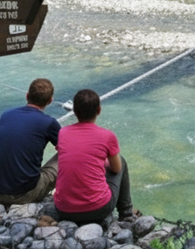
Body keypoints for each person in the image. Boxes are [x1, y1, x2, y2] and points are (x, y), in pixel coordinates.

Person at [54, 89, 136, 224]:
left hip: (64, 209)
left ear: (74, 111)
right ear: (99, 110)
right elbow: (116, 169)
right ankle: (126, 213)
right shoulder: (107, 136)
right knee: (121, 161)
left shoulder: (63, 133)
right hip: (98, 209)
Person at [0, 78, 61, 206]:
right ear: (50, 101)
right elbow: (69, 148)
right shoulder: (49, 123)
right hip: (23, 194)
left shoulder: (6, 115)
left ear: (27, 96)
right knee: (70, 151)